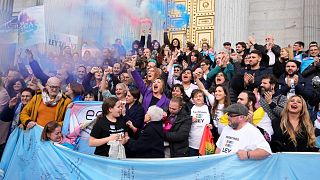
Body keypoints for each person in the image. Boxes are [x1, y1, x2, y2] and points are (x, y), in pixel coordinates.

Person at [188, 89, 212, 156]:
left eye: (200, 96)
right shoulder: (189, 108)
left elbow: (213, 123)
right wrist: (190, 119)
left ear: (203, 98)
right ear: (192, 99)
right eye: (195, 97)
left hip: (205, 141)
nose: (198, 98)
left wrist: (211, 126)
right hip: (192, 142)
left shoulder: (208, 108)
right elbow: (184, 121)